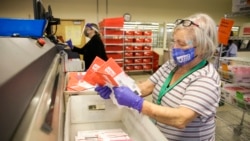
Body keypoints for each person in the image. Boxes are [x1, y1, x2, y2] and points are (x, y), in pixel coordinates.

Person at [95, 13, 221, 141]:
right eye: (174, 41)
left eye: (182, 44)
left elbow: (181, 119)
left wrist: (138, 103)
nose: (175, 48)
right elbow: (145, 87)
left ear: (204, 47)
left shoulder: (206, 79)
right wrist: (115, 88)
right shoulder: (173, 65)